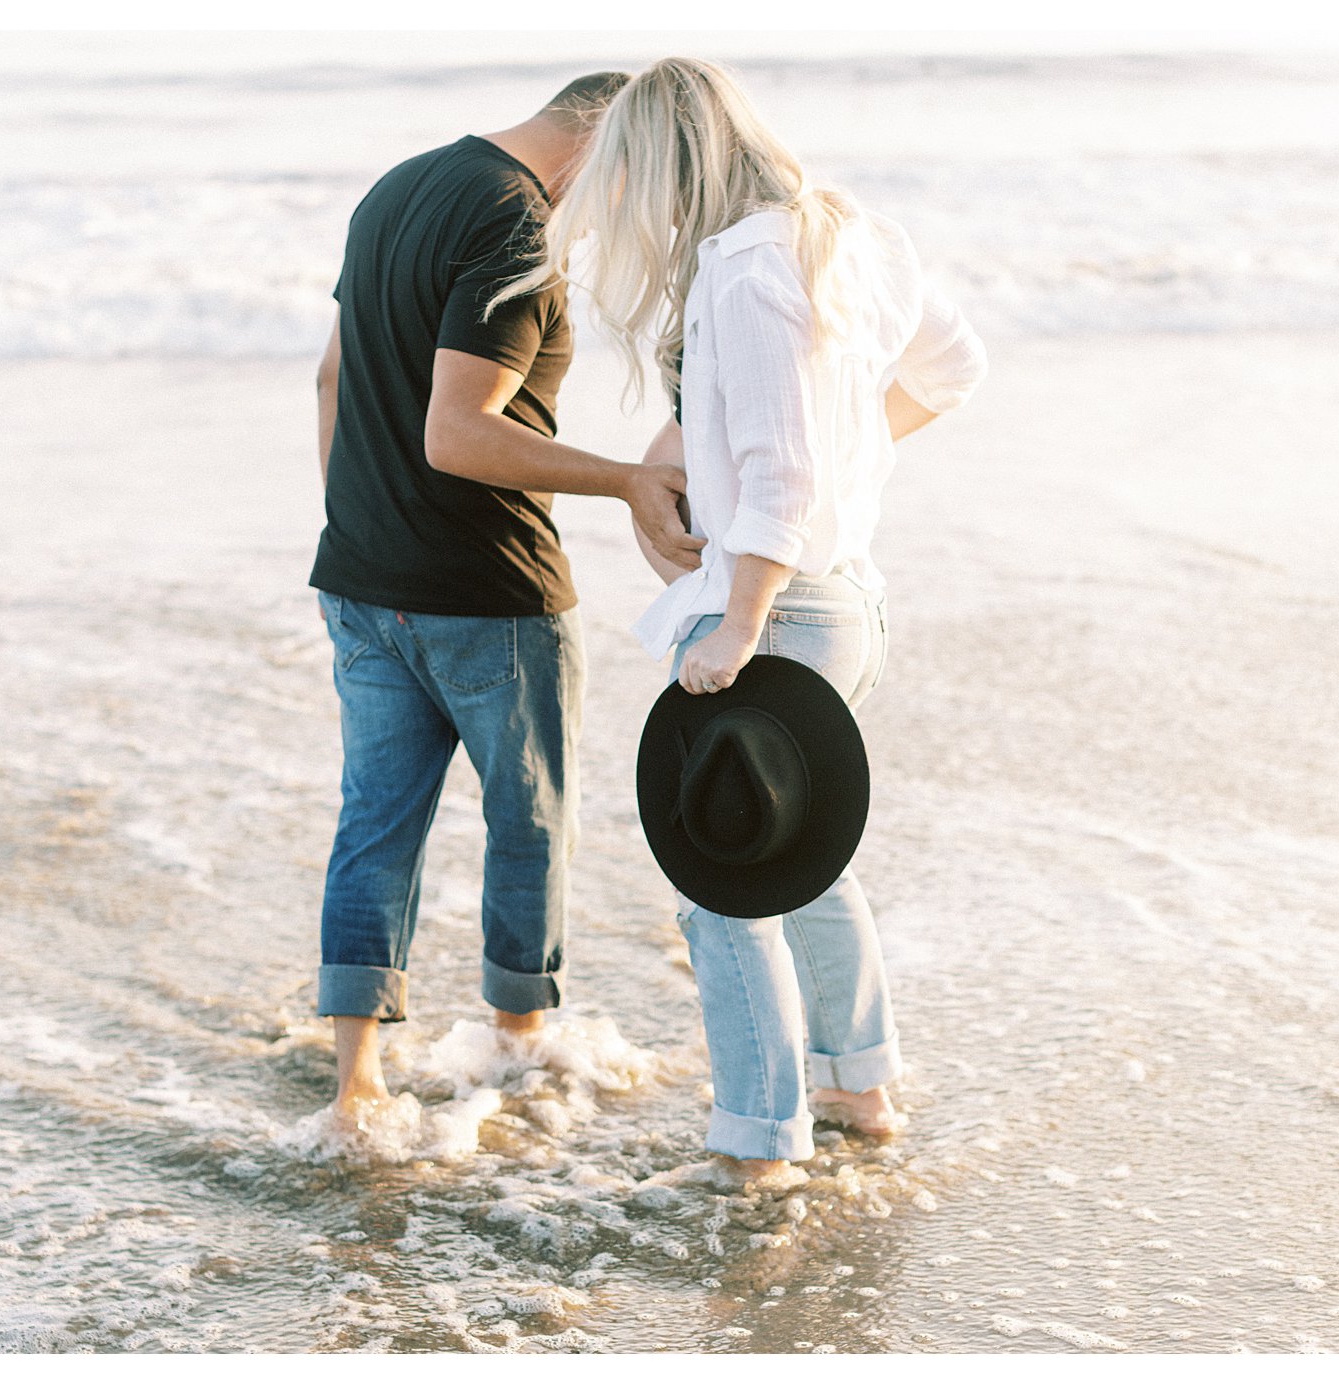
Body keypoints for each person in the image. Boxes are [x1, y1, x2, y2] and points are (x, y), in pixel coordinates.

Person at [492, 57, 987, 1180]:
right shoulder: (848, 235)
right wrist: (843, 467)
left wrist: (738, 617)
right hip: (843, 597)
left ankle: (757, 1146)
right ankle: (861, 1086)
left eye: (626, 180)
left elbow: (776, 470)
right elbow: (952, 366)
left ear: (669, 168)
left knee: (722, 882)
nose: (622, 205)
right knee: (799, 849)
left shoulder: (744, 264)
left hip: (775, 609)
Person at [309, 72, 702, 1122]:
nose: (621, 213)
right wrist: (628, 477)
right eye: (634, 186)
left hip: (360, 581)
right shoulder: (515, 226)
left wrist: (360, 526)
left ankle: (356, 1079)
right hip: (488, 588)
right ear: (604, 146)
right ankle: (520, 1045)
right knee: (528, 821)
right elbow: (457, 430)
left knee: (373, 826)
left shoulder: (397, 188)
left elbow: (330, 380)